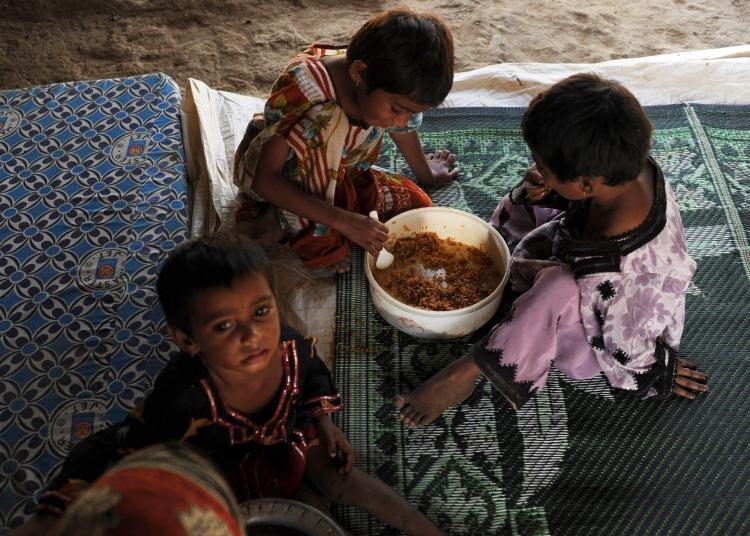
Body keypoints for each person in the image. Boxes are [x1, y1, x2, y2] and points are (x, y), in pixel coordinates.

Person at [34, 233, 446, 536]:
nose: (253, 336)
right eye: (224, 325)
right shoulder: (184, 397)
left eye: (262, 310)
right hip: (226, 474)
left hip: (290, 443)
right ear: (187, 339)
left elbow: (312, 374)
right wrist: (57, 513)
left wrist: (324, 423)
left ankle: (422, 527)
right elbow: (119, 447)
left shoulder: (288, 345)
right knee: (292, 514)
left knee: (344, 478)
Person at [394, 73, 710, 427]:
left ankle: (467, 372)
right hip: (583, 260)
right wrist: (551, 188)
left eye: (544, 167)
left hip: (605, 329)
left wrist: (658, 368)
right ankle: (526, 279)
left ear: (586, 183)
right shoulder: (625, 171)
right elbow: (569, 201)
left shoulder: (632, 274)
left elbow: (628, 346)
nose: (536, 169)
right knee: (528, 206)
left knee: (556, 286)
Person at [233, 7, 458, 274]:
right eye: (397, 109)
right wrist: (344, 222)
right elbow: (265, 178)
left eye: (413, 112)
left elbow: (403, 129)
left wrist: (426, 173)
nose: (401, 121)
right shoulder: (308, 92)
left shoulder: (380, 82)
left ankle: (319, 211)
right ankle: (287, 220)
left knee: (417, 206)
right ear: (359, 74)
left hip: (341, 172)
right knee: (329, 120)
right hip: (279, 178)